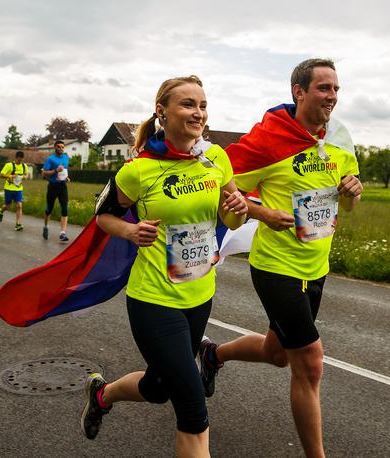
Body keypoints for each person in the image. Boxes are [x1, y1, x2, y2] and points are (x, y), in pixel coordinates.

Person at [198, 59, 362, 458]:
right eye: (324, 88)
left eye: (336, 89)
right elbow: (217, 184)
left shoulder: (339, 137)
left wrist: (353, 191)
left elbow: (350, 202)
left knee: (277, 354)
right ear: (299, 91)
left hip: (316, 267)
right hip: (276, 268)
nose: (333, 97)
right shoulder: (269, 140)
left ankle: (213, 354)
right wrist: (261, 213)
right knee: (310, 363)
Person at [80, 75, 247, 458]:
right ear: (162, 111)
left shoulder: (216, 158)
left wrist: (236, 211)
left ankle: (102, 394)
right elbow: (103, 215)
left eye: (203, 105)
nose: (198, 113)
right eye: (188, 104)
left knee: (159, 387)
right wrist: (130, 229)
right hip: (154, 300)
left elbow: (231, 217)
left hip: (200, 295)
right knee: (192, 407)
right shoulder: (139, 169)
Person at [41, 140, 70, 241]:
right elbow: (44, 173)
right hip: (53, 186)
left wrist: (66, 178)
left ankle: (63, 233)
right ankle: (45, 226)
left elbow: (65, 171)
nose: (61, 148)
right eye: (59, 147)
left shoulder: (66, 158)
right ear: (55, 147)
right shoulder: (50, 159)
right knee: (49, 209)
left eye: (62, 147)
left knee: (65, 209)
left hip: (63, 186)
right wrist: (56, 171)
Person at [0, 150, 28, 231]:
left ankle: (18, 224)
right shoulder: (9, 165)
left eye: (21, 160)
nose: (20, 161)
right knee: (7, 206)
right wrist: (10, 176)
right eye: (19, 160)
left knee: (19, 205)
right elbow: (1, 175)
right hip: (9, 188)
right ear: (16, 158)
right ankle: (1, 211)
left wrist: (25, 177)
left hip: (19, 189)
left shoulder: (24, 166)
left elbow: (26, 174)